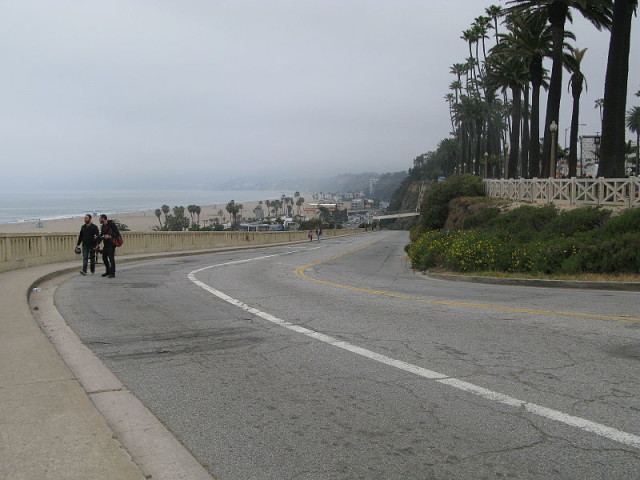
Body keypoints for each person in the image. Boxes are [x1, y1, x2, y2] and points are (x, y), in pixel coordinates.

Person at [97, 214, 120, 278]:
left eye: (100, 218)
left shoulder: (111, 224)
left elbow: (117, 233)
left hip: (112, 243)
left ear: (103, 218)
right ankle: (108, 271)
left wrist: (110, 236)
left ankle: (113, 273)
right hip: (106, 244)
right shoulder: (103, 226)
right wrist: (98, 243)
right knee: (104, 257)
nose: (99, 220)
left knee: (111, 258)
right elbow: (101, 235)